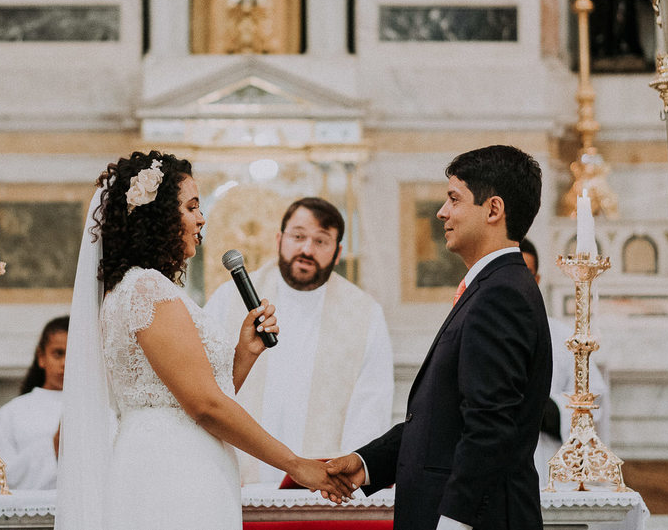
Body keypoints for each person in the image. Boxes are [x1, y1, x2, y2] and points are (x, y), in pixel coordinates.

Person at [55, 151, 351, 530]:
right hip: (171, 468)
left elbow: (193, 396)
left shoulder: (134, 288)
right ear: (158, 216)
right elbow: (205, 407)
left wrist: (245, 353)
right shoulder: (147, 289)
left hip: (175, 457)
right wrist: (295, 464)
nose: (201, 218)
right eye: (191, 207)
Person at [327, 145, 552, 530]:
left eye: (454, 198)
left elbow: (490, 425)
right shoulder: (493, 286)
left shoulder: (501, 294)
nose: (441, 212)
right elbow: (444, 421)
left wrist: (455, 521)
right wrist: (367, 463)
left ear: (493, 210)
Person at [204, 197, 394, 485]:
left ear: (338, 252)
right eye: (298, 236)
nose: (307, 249)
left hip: (321, 487)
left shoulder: (364, 313)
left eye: (321, 241)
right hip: (234, 476)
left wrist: (346, 479)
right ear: (279, 239)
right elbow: (204, 383)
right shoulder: (230, 298)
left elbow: (370, 405)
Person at [518, 238, 610, 479]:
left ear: (537, 279)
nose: (518, 283)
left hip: (550, 463)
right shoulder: (480, 333)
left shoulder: (562, 337)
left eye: (526, 274)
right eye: (512, 275)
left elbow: (593, 398)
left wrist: (546, 409)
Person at [0, 316, 68, 491]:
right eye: (58, 353)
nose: (65, 363)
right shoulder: (12, 412)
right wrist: (51, 449)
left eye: (73, 354)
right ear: (41, 357)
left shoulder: (100, 410)